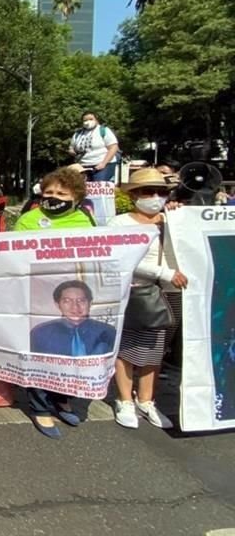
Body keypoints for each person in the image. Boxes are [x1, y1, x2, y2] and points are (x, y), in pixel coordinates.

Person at [14, 166, 94, 438]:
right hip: (36, 296)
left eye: (62, 193)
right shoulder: (29, 219)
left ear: (76, 197)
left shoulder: (85, 220)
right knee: (41, 351)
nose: (54, 197)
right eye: (49, 192)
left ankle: (62, 399)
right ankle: (39, 407)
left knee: (70, 353)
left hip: (72, 298)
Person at [109, 168, 186, 430]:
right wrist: (163, 273)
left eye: (161, 192)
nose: (155, 197)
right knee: (127, 348)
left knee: (155, 350)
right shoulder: (119, 223)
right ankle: (124, 400)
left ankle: (146, 400)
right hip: (136, 291)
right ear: (134, 195)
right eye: (148, 192)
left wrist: (179, 216)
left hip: (169, 293)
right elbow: (121, 257)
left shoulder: (174, 219)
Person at [30, 281, 116, 357]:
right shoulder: (40, 333)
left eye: (81, 300)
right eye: (67, 301)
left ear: (90, 303)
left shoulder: (109, 332)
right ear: (57, 305)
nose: (75, 307)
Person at [69, 111, 119, 181]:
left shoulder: (104, 130)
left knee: (98, 186)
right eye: (85, 120)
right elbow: (71, 146)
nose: (87, 122)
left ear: (96, 120)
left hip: (102, 166)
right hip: (83, 167)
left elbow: (113, 147)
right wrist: (71, 151)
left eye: (91, 119)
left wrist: (103, 163)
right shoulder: (78, 133)